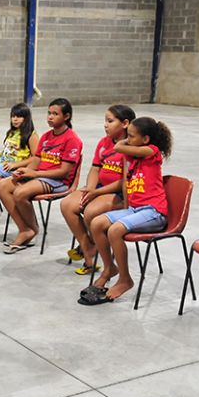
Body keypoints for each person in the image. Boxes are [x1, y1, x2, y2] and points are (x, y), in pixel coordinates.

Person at [80, 117, 172, 305]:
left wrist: (124, 141)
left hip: (154, 211)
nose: (127, 139)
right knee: (97, 223)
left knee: (115, 230)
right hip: (136, 209)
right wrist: (128, 139)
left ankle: (125, 279)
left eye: (131, 136)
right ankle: (109, 268)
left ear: (145, 139)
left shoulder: (152, 151)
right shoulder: (133, 155)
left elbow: (118, 147)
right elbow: (122, 154)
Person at [0, 98, 83, 254]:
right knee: (3, 185)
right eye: (49, 113)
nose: (50, 117)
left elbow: (64, 171)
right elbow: (36, 160)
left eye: (55, 114)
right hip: (39, 176)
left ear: (66, 116)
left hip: (58, 181)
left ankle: (33, 229)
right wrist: (24, 172)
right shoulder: (46, 136)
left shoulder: (72, 139)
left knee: (20, 192)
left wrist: (34, 174)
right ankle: (24, 229)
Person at [61, 105, 135, 275]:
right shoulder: (103, 143)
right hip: (99, 188)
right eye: (105, 121)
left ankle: (92, 251)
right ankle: (88, 246)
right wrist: (91, 188)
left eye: (110, 121)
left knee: (90, 212)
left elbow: (124, 181)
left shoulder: (131, 147)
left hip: (118, 194)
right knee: (67, 204)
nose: (105, 125)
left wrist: (97, 193)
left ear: (125, 123)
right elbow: (95, 168)